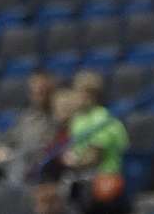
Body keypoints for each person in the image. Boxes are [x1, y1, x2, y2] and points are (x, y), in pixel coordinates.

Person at [64, 72, 130, 214]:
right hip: (82, 178)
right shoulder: (77, 120)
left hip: (105, 178)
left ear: (89, 95)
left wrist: (71, 163)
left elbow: (94, 157)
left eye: (77, 93)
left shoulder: (101, 118)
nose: (74, 97)